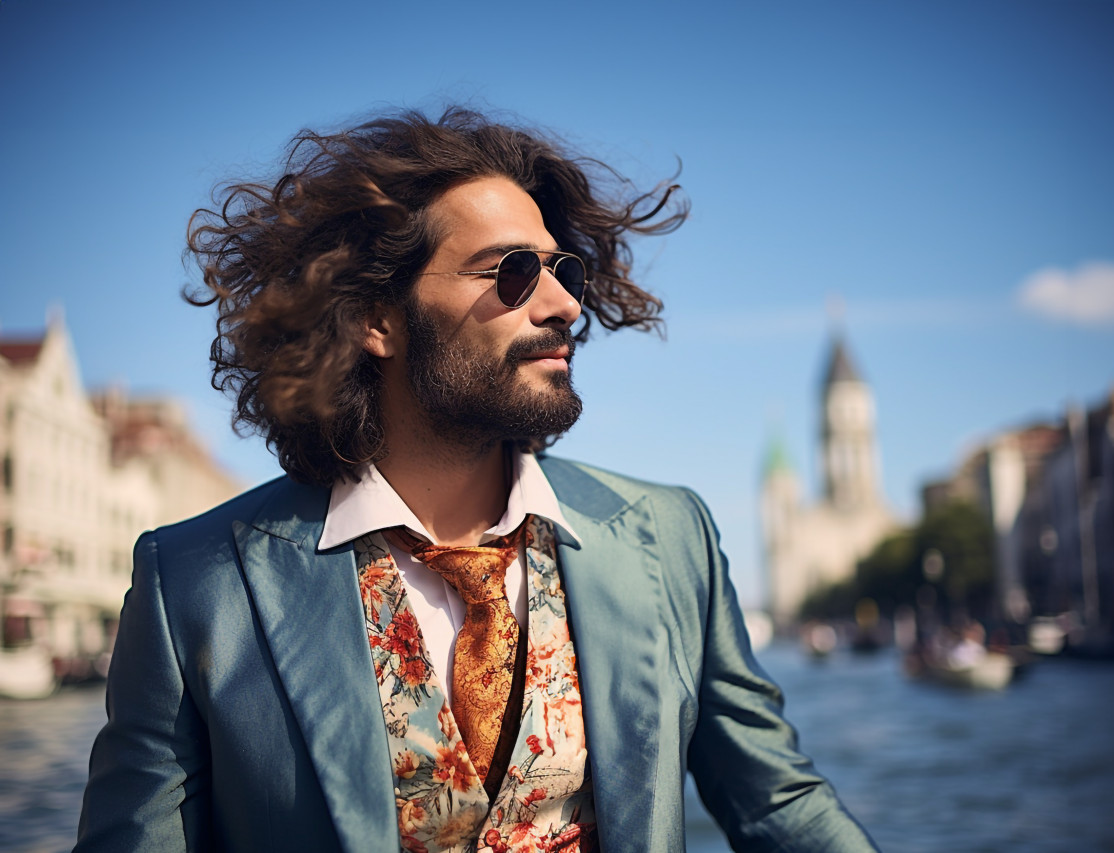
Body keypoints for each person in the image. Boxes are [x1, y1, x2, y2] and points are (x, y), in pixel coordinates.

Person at [75, 107, 878, 853]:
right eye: (512, 271)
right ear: (375, 319)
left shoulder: (669, 537)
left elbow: (778, 806)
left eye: (561, 268)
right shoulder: (194, 583)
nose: (564, 303)